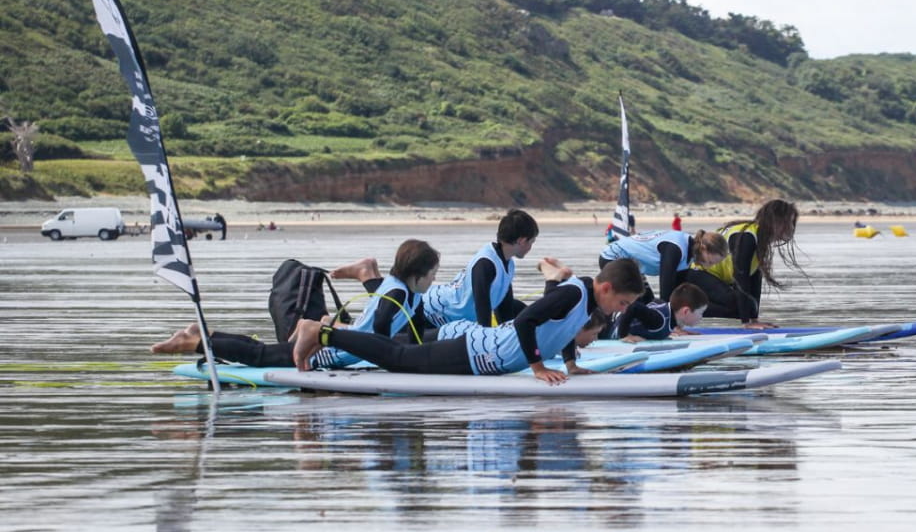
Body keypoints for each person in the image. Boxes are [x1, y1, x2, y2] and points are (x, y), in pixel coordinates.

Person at [291, 258, 645, 385]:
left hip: (487, 359)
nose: (618, 311)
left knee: (399, 353)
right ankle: (322, 334)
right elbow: (525, 321)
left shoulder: (585, 299)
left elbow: (565, 328)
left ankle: (331, 331)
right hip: (478, 352)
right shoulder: (575, 293)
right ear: (607, 287)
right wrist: (537, 367)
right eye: (622, 302)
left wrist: (570, 363)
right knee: (395, 360)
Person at [150, 240, 441, 367]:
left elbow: (413, 330)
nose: (434, 279)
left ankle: (205, 336)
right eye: (433, 274)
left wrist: (416, 355)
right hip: (337, 351)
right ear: (418, 274)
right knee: (264, 356)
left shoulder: (405, 290)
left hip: (345, 347)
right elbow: (380, 326)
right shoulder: (398, 294)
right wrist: (386, 357)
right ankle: (195, 343)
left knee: (269, 350)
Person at [685, 199, 804, 328]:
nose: (792, 228)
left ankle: (690, 308)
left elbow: (754, 281)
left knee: (749, 306)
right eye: (789, 222)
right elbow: (740, 278)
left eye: (793, 223)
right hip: (697, 273)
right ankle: (683, 308)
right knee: (741, 305)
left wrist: (754, 318)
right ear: (776, 221)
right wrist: (746, 322)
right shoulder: (747, 236)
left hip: (716, 278)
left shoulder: (761, 241)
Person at [422, 209, 543, 329]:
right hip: (432, 311)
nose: (531, 247)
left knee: (517, 306)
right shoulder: (485, 264)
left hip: (456, 318)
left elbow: (504, 309)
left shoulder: (508, 263)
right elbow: (482, 311)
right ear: (521, 241)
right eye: (531, 242)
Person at [597, 228, 729, 303]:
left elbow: (677, 292)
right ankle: (619, 332)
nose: (710, 266)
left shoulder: (688, 256)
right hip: (612, 258)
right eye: (711, 262)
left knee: (649, 303)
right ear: (704, 248)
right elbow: (666, 287)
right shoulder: (676, 248)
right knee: (635, 301)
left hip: (633, 267)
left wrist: (677, 322)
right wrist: (670, 324)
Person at [609, 282, 708, 342]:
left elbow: (654, 302)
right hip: (607, 329)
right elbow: (633, 307)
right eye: (700, 312)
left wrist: (676, 327)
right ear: (685, 311)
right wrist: (624, 335)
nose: (701, 317)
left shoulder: (669, 315)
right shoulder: (658, 320)